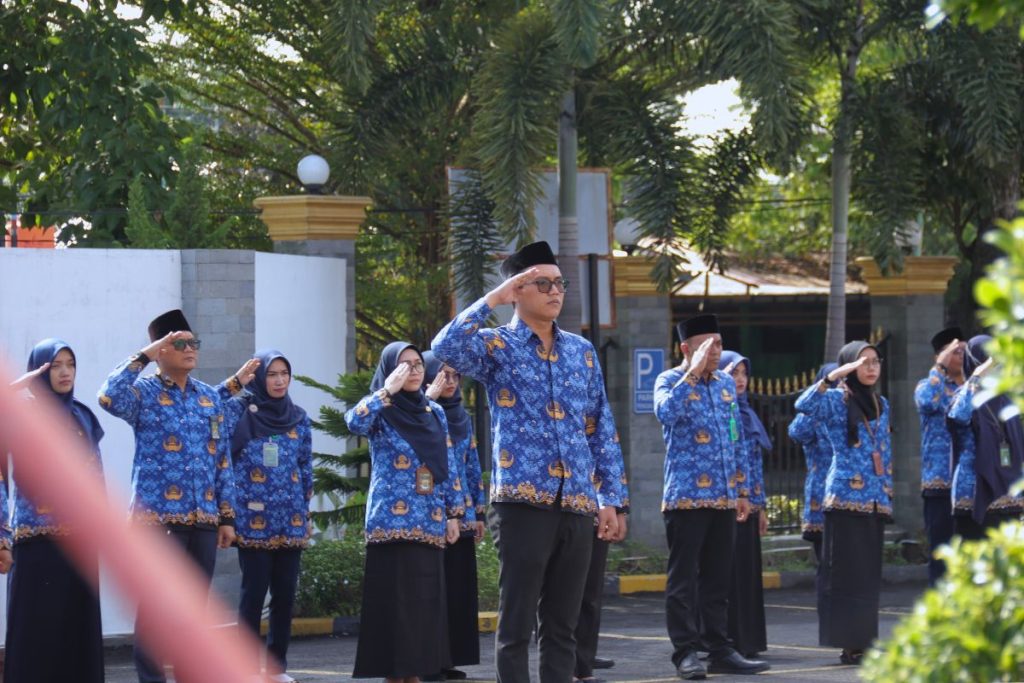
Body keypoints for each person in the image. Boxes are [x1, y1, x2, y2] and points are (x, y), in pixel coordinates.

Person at [431, 241, 629, 683]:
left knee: (563, 625)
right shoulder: (496, 345)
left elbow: (600, 427)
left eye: (559, 283)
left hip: (577, 502)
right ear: (517, 290)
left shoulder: (581, 351)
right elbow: (445, 345)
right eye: (543, 284)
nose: (555, 291)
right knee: (517, 623)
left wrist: (611, 498)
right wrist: (492, 300)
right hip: (521, 503)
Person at [98, 309, 258, 683]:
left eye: (193, 342)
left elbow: (221, 459)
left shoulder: (207, 398)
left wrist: (227, 517)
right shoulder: (144, 394)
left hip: (203, 521)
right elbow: (108, 396)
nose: (190, 349)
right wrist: (145, 355)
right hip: (155, 521)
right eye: (180, 343)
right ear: (162, 350)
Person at [654, 314, 768, 679]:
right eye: (707, 345)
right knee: (683, 581)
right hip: (685, 497)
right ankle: (685, 652)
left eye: (718, 344)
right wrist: (692, 372)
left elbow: (735, 437)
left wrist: (743, 490)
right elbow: (666, 413)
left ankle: (719, 648)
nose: (716, 351)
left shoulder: (724, 384)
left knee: (718, 580)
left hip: (724, 496)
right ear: (686, 348)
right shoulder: (669, 380)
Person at [345, 341, 463, 683]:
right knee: (393, 602)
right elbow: (354, 422)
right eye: (404, 365)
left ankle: (414, 672)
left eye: (417, 364)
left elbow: (447, 463)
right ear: (389, 370)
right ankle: (392, 674)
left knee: (423, 602)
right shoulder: (382, 408)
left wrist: (454, 513)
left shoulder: (433, 411)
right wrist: (385, 392)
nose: (413, 371)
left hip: (429, 519)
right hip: (390, 522)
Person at [4, 339, 105, 682]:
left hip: (82, 542)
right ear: (38, 371)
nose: (65, 372)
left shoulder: (82, 416)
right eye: (55, 366)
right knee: (36, 633)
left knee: (77, 633)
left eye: (70, 364)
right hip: (37, 541)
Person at [795, 341, 892, 666]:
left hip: (874, 499)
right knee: (848, 576)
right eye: (863, 362)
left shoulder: (881, 403)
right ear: (849, 366)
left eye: (875, 361)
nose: (871, 367)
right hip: (845, 498)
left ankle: (866, 640)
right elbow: (803, 405)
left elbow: (884, 450)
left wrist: (887, 492)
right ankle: (851, 644)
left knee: (868, 576)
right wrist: (831, 378)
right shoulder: (837, 400)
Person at [224, 350, 313, 683]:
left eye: (284, 374)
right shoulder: (240, 412)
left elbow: (305, 467)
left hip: (290, 520)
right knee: (253, 595)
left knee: (285, 598)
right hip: (253, 520)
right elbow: (220, 443)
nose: (278, 381)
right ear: (260, 379)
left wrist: (305, 512)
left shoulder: (299, 418)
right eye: (272, 374)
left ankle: (276, 669)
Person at [422, 351, 485, 682]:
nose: (449, 381)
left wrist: (478, 512)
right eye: (442, 374)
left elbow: (471, 464)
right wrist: (427, 403)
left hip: (463, 514)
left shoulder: (461, 416)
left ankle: (449, 659)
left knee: (457, 589)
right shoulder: (421, 414)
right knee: (433, 591)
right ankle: (429, 661)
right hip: (431, 514)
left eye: (455, 375)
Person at [718, 350, 769, 659]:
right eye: (733, 373)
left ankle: (749, 640)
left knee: (748, 574)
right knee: (728, 573)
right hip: (728, 503)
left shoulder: (747, 413)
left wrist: (760, 506)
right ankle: (727, 639)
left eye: (743, 373)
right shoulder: (723, 410)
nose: (740, 380)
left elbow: (755, 464)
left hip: (749, 504)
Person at [948, 335, 1023, 539]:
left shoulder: (1007, 400)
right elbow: (958, 416)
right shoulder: (964, 395)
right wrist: (976, 378)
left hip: (1010, 493)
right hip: (973, 493)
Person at [913, 326, 963, 584]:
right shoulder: (929, 386)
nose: (960, 355)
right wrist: (940, 368)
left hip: (972, 485)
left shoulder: (977, 387)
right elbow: (926, 402)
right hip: (940, 484)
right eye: (953, 352)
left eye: (963, 351)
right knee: (942, 553)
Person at [788, 363, 837, 563]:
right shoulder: (814, 415)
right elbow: (796, 433)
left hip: (850, 492)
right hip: (822, 492)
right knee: (826, 558)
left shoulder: (852, 409)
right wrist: (815, 406)